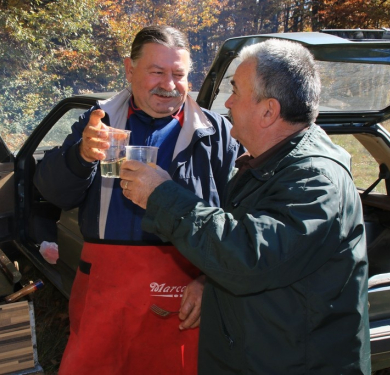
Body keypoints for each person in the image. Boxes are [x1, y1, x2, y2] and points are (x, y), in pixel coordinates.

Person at [120, 38, 371, 374]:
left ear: (268, 111)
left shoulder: (313, 180)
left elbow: (248, 256)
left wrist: (161, 194)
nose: (228, 102)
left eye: (236, 91)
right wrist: (208, 280)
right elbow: (261, 249)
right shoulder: (270, 164)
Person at [33, 25, 242, 375]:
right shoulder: (100, 122)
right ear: (130, 69)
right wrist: (81, 156)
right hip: (104, 290)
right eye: (157, 72)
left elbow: (239, 218)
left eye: (178, 74)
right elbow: (53, 192)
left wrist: (212, 281)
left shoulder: (214, 132)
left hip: (183, 288)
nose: (169, 84)